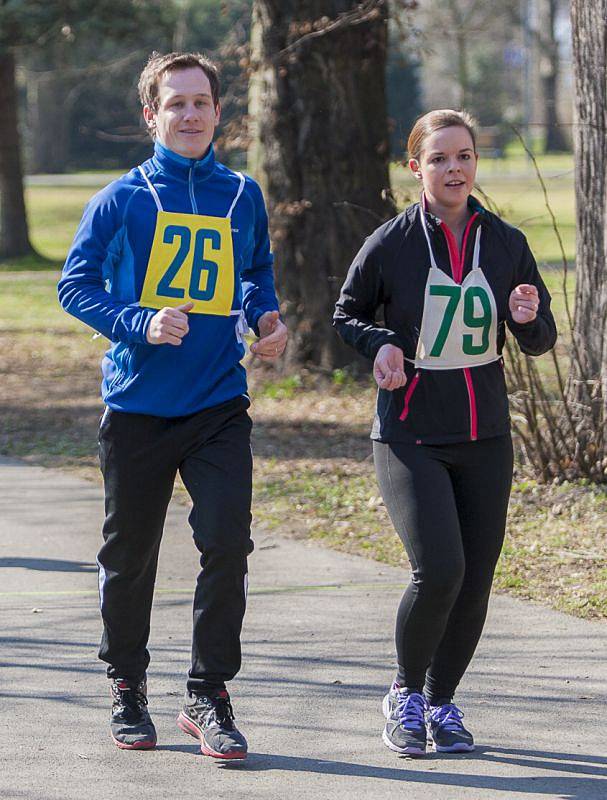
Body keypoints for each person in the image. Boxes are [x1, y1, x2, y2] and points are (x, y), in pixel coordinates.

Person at [58, 51, 287, 759]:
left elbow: (252, 273)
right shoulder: (121, 199)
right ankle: (127, 685)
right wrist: (139, 320)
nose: (189, 114)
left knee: (226, 543)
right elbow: (75, 284)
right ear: (150, 115)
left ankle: (208, 692)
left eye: (200, 103)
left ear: (220, 113)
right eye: (175, 103)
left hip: (218, 402)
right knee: (132, 555)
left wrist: (265, 319)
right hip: (138, 406)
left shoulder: (242, 193)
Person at [333, 109, 556, 757]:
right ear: (415, 168)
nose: (453, 168)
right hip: (409, 433)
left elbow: (538, 341)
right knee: (440, 569)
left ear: (474, 164)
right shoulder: (392, 242)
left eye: (463, 157)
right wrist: (378, 343)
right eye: (438, 159)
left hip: (485, 434)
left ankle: (442, 703)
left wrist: (526, 317)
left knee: (477, 575)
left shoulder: (505, 241)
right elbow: (346, 313)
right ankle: (404, 694)